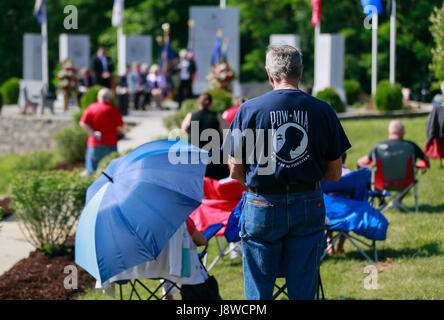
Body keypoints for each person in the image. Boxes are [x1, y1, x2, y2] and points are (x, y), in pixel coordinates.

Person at [223, 45, 351, 300]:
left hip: (262, 202)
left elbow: (235, 169)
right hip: (308, 202)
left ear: (269, 74)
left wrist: (259, 186)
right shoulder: (323, 110)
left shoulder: (249, 110)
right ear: (300, 72)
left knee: (258, 291)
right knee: (304, 288)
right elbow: (335, 173)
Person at [181, 92, 230, 180]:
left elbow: (183, 132)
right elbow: (227, 133)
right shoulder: (217, 116)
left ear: (198, 102)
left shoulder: (191, 116)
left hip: (195, 156)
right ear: (210, 104)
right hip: (214, 157)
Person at [79, 88, 124, 175]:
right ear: (109, 98)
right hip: (111, 142)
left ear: (97, 97)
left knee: (91, 171)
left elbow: (82, 123)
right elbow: (120, 127)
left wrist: (93, 133)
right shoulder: (114, 109)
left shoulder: (91, 107)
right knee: (110, 172)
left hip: (94, 142)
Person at [162, 217, 208, 300]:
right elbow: (202, 240)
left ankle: (167, 294)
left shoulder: (137, 220)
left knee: (165, 263)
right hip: (183, 269)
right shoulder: (181, 217)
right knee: (173, 261)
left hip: (146, 270)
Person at [357, 120, 429, 169]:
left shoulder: (378, 148)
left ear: (389, 131)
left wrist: (358, 162)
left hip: (383, 182)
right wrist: (424, 164)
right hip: (406, 181)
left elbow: (364, 162)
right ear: (403, 133)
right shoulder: (411, 146)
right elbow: (425, 159)